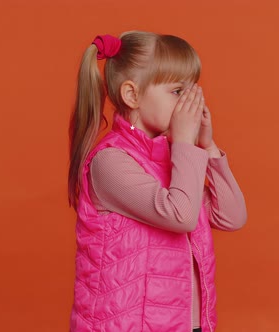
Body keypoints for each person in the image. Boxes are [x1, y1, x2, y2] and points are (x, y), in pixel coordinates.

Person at [67, 31, 248, 332]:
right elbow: (181, 215)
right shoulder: (110, 162)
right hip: (127, 324)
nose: (190, 101)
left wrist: (207, 146)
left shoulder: (172, 161)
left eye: (193, 90)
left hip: (183, 323)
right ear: (132, 95)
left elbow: (231, 216)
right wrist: (186, 146)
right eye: (178, 91)